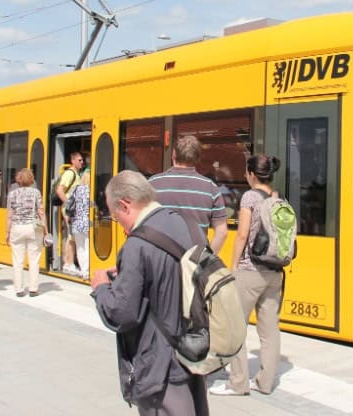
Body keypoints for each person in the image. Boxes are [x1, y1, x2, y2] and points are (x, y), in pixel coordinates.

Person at [91, 170, 209, 415]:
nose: (119, 223)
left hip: (160, 366)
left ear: (125, 205)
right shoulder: (185, 223)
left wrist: (101, 286)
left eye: (115, 217)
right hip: (192, 351)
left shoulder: (136, 244)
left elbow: (121, 314)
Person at [210, 154, 285, 397]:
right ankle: (265, 383)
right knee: (270, 329)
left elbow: (242, 235)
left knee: (236, 325)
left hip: (250, 271)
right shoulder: (278, 198)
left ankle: (238, 382)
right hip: (275, 272)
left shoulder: (250, 197)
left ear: (252, 174)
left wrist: (233, 267)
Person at [149, 135, 228, 253]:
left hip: (159, 260)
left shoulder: (152, 184)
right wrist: (205, 261)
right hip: (193, 263)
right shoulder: (211, 188)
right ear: (197, 159)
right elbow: (222, 232)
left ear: (173, 155)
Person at [5, 168, 47, 297]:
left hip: (17, 228)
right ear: (31, 179)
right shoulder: (36, 192)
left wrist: (7, 232)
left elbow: (9, 215)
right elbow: (40, 212)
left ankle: (19, 289)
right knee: (34, 259)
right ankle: (33, 289)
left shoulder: (12, 194)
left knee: (18, 260)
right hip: (33, 228)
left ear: (18, 180)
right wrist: (46, 230)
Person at [56, 151, 84, 274]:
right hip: (70, 210)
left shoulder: (77, 174)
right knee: (71, 237)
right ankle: (68, 263)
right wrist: (69, 205)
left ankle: (69, 263)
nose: (82, 162)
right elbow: (60, 190)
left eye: (82, 160)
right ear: (72, 161)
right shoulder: (70, 173)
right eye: (79, 160)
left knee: (71, 236)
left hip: (72, 209)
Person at [69, 168, 91, 278]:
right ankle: (88, 270)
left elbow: (70, 203)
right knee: (88, 247)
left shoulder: (76, 189)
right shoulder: (91, 190)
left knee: (80, 248)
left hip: (77, 223)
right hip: (88, 223)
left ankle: (83, 270)